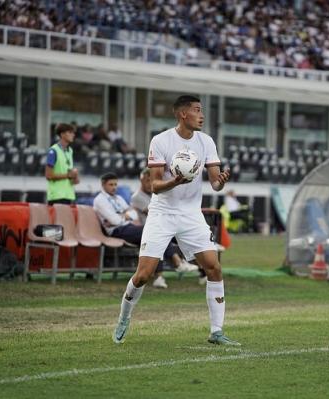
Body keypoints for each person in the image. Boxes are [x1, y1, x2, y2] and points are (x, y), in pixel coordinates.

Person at [112, 95, 239, 346]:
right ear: (183, 114)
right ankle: (124, 318)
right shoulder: (161, 141)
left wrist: (219, 182)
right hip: (162, 212)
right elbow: (156, 186)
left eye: (202, 111)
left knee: (213, 267)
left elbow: (214, 182)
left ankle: (216, 331)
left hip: (191, 214)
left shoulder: (206, 142)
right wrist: (176, 181)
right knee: (143, 275)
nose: (202, 115)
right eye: (197, 110)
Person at [93, 172, 197, 289]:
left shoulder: (119, 198)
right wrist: (124, 215)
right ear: (103, 185)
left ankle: (161, 277)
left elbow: (133, 215)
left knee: (157, 235)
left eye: (115, 184)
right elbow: (115, 221)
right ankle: (177, 262)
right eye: (111, 185)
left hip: (128, 227)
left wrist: (122, 216)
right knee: (156, 232)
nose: (114, 187)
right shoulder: (99, 200)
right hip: (117, 231)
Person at [46, 123, 79, 205]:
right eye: (70, 132)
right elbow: (48, 175)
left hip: (69, 195)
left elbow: (68, 174)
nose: (73, 135)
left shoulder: (70, 150)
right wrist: (68, 175)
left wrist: (75, 177)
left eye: (73, 133)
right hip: (57, 196)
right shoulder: (53, 151)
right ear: (62, 134)